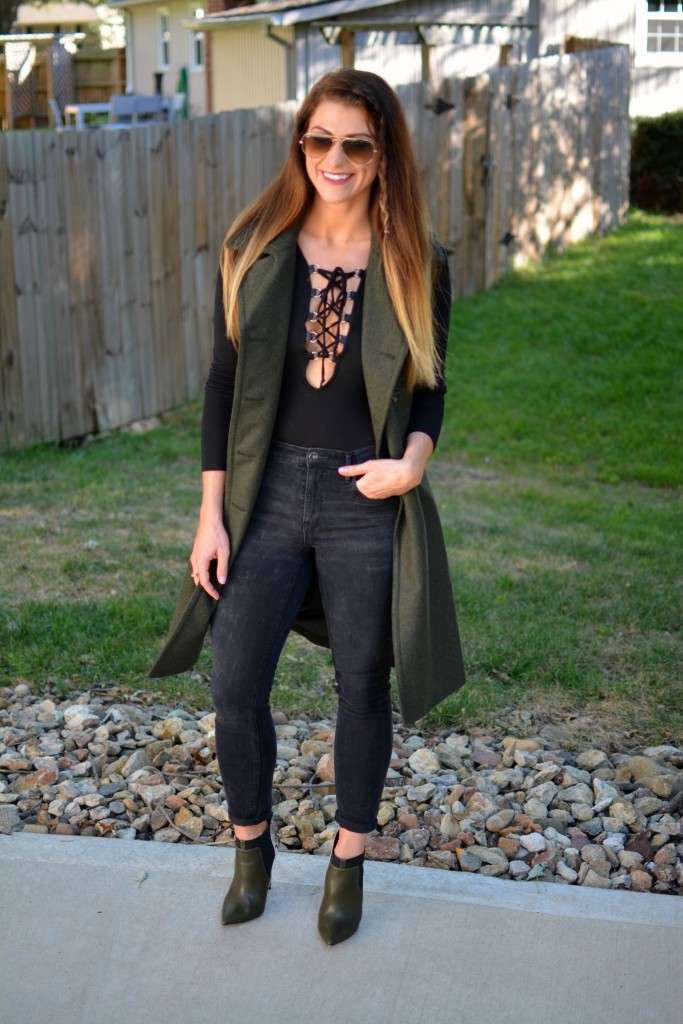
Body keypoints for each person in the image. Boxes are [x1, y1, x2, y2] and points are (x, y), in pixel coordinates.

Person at [150, 68, 465, 946]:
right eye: (319, 140)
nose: (335, 158)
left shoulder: (413, 263)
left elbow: (430, 391)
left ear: (382, 155)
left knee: (361, 684)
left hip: (362, 496)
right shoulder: (256, 246)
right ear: (301, 144)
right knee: (235, 683)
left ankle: (347, 862)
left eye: (356, 144)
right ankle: (250, 853)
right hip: (265, 493)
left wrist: (409, 465)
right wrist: (210, 517)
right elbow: (223, 384)